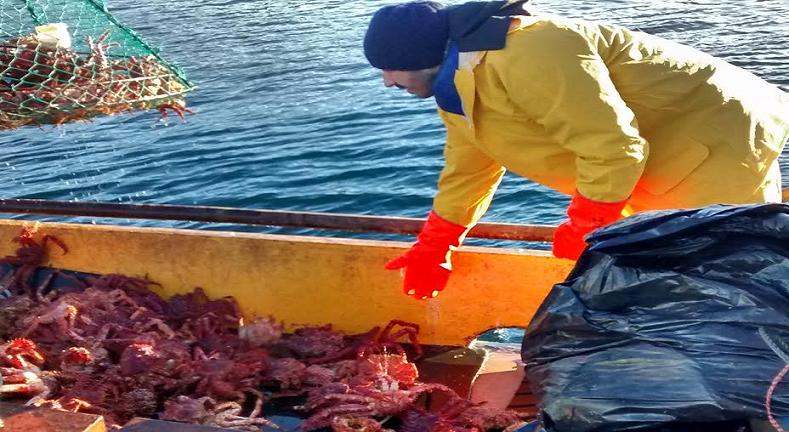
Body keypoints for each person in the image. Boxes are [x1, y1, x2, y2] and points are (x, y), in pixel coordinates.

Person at [363, 0, 789, 300]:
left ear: (418, 57)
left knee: (727, 261)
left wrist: (585, 222)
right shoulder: (457, 85)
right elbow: (468, 168)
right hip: (652, 151)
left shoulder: (531, 49)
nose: (386, 83)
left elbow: (613, 147)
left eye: (390, 70)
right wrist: (436, 245)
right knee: (659, 256)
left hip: (718, 132)